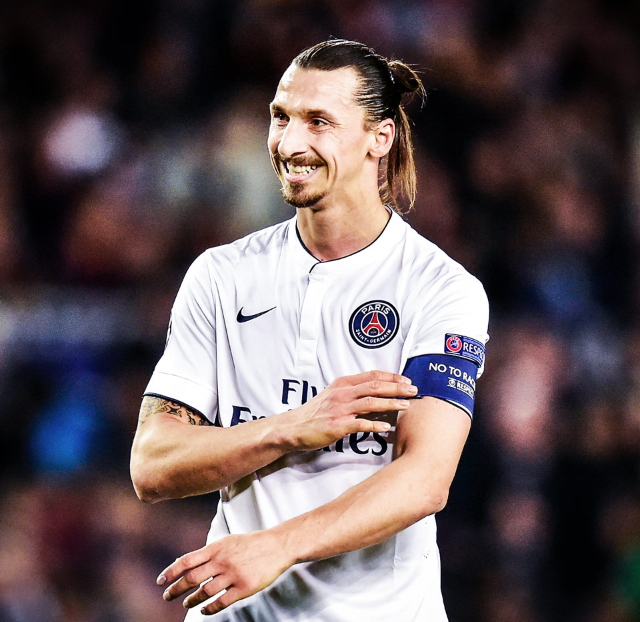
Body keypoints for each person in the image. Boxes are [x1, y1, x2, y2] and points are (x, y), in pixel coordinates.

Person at [130, 39, 489, 621]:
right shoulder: (221, 276)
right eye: (280, 118)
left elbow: (425, 479)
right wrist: (291, 428)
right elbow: (152, 464)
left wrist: (277, 546)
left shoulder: (441, 288)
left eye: (319, 122)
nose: (290, 143)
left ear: (381, 138)